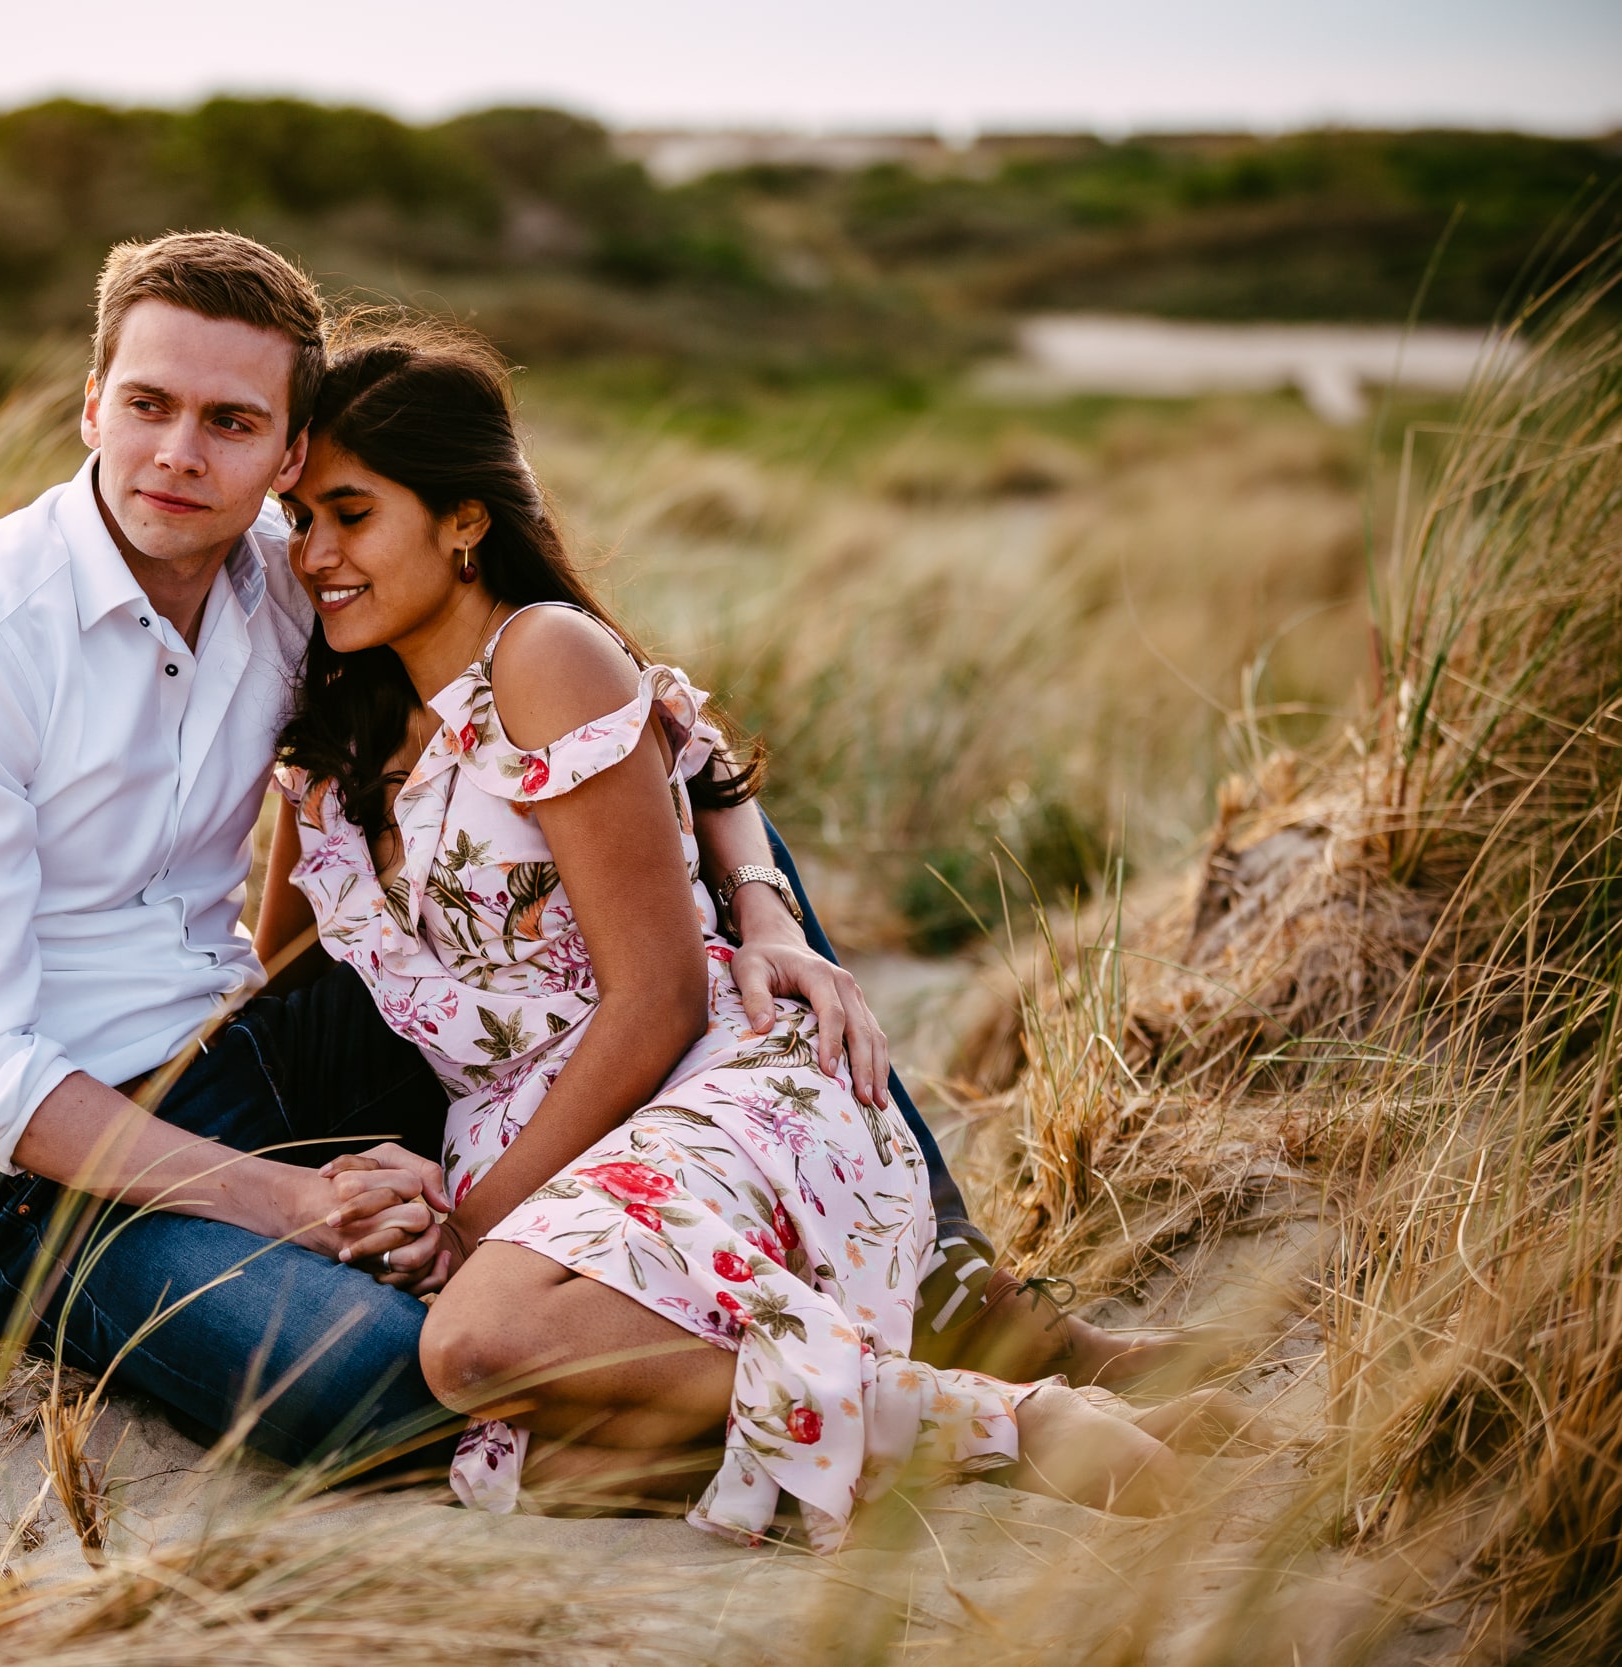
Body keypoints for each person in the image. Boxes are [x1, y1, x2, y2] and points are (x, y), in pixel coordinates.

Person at [0, 230, 1182, 1488]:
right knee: (371, 1378)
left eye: (231, 422)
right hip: (44, 1170)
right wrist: (304, 1204)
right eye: (149, 404)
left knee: (705, 932)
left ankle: (978, 1302)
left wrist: (769, 918)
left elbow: (660, 739)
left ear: (284, 446)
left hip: (256, 1047)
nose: (180, 451)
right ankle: (938, 1425)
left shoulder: (295, 579)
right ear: (91, 403)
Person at [260, 327, 1199, 1543]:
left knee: (482, 1342)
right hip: (526, 1138)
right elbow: (262, 971)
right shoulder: (330, 753)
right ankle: (984, 1415)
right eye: (299, 520)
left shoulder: (540, 657)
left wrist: (477, 1216)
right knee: (536, 1456)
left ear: (462, 520)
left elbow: (658, 997)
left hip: (693, 1087)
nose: (315, 555)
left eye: (349, 513)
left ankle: (1004, 1418)